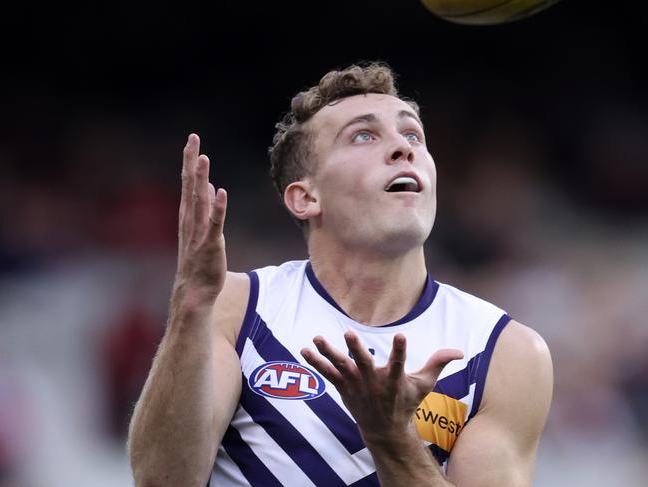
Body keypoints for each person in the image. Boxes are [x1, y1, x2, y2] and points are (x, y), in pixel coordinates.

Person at [127, 62, 553, 486]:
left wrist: (391, 438)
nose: (403, 149)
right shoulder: (240, 308)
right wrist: (191, 302)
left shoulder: (503, 352)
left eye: (413, 135)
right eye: (364, 135)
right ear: (306, 197)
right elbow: (162, 480)